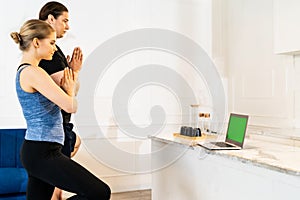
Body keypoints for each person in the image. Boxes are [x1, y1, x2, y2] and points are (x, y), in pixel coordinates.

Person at [11, 19, 111, 200]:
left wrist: (73, 75)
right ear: (36, 42)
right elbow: (70, 105)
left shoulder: (30, 71)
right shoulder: (33, 72)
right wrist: (70, 89)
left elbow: (64, 96)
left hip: (39, 150)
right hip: (43, 152)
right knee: (99, 192)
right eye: (52, 42)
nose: (54, 49)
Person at [38, 2, 82, 199]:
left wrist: (73, 72)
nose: (67, 26)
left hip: (59, 125)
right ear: (50, 19)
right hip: (55, 126)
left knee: (76, 143)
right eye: (64, 21)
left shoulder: (53, 51)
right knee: (55, 189)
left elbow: (70, 88)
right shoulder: (50, 54)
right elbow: (69, 93)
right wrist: (74, 74)